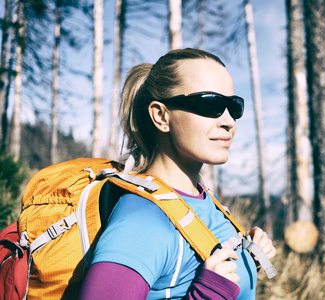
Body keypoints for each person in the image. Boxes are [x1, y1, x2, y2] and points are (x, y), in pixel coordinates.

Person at [79, 48, 276, 299]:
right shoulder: (143, 220)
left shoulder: (202, 199)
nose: (229, 121)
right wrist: (205, 294)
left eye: (233, 106)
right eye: (209, 103)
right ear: (161, 116)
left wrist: (247, 259)